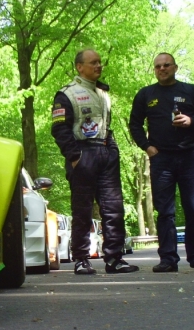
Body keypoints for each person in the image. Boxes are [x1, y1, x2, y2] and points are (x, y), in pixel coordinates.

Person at [51, 48, 139, 275]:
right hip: (83, 154)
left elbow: (106, 125)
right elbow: (59, 129)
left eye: (100, 62)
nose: (99, 66)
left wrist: (113, 149)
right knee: (82, 211)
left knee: (113, 209)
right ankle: (81, 259)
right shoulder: (66, 94)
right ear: (79, 67)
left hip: (106, 152)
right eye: (93, 62)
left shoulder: (103, 92)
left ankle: (114, 258)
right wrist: (74, 157)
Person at [129, 53, 194, 272]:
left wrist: (191, 120)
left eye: (166, 65)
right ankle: (168, 259)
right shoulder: (146, 94)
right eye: (157, 66)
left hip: (190, 156)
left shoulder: (191, 91)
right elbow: (135, 124)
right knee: (165, 211)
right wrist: (147, 147)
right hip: (161, 159)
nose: (162, 69)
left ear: (175, 67)